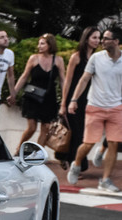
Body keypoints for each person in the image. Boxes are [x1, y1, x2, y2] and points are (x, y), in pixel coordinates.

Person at [67, 26, 122, 193]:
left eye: (106, 38)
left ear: (116, 41)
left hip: (116, 108)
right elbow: (84, 79)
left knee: (113, 144)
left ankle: (105, 180)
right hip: (95, 106)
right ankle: (76, 164)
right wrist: (74, 100)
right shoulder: (96, 58)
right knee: (88, 143)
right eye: (102, 38)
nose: (102, 41)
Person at [11, 33, 66, 153]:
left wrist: (65, 99)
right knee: (31, 127)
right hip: (33, 97)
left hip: (49, 98)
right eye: (39, 43)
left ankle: (35, 155)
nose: (39, 46)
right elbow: (24, 76)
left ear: (50, 44)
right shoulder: (33, 58)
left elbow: (63, 80)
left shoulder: (58, 60)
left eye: (42, 43)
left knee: (45, 128)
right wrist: (13, 92)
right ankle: (19, 149)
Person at [57, 27, 100, 171]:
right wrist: (64, 104)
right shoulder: (76, 57)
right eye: (94, 37)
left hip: (88, 101)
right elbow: (67, 82)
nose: (97, 41)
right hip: (73, 101)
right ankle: (77, 165)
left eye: (98, 38)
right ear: (86, 38)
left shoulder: (96, 58)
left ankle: (66, 158)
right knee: (76, 133)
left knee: (84, 134)